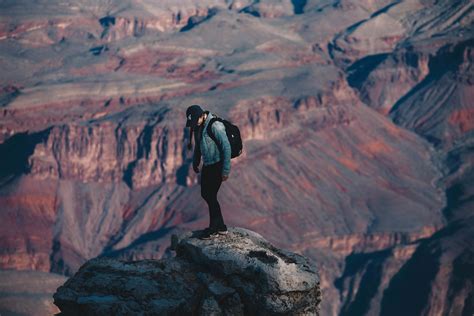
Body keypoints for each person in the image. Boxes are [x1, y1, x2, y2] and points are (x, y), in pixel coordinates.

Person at [185, 104, 231, 239]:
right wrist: (195, 162)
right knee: (206, 194)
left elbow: (226, 147)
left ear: (202, 115)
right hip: (208, 165)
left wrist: (225, 170)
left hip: (217, 165)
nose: (194, 124)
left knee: (210, 195)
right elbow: (198, 147)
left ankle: (215, 228)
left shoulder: (214, 126)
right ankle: (220, 226)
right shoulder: (198, 127)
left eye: (195, 121)